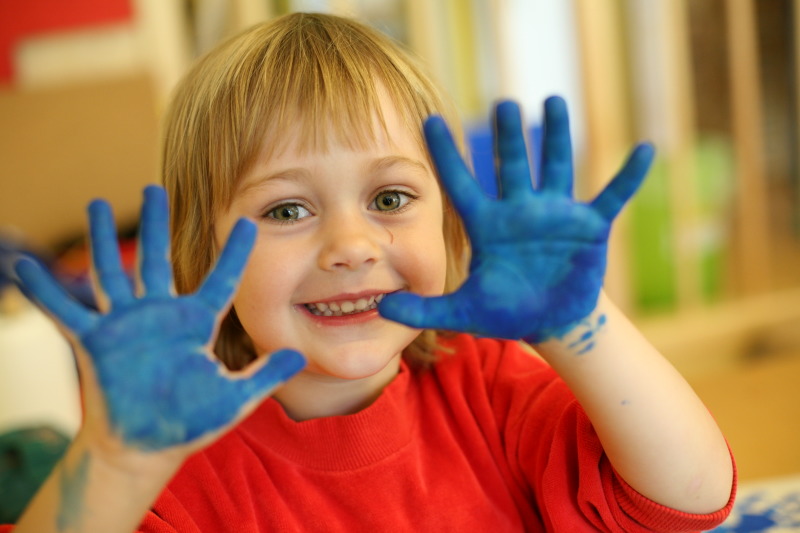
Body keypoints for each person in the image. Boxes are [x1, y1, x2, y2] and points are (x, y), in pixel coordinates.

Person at [5, 12, 735, 532]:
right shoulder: (176, 463)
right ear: (200, 255)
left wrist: (584, 326)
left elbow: (691, 500)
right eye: (288, 210)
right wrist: (113, 464)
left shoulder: (490, 389)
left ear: (450, 224)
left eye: (389, 198)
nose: (351, 245)